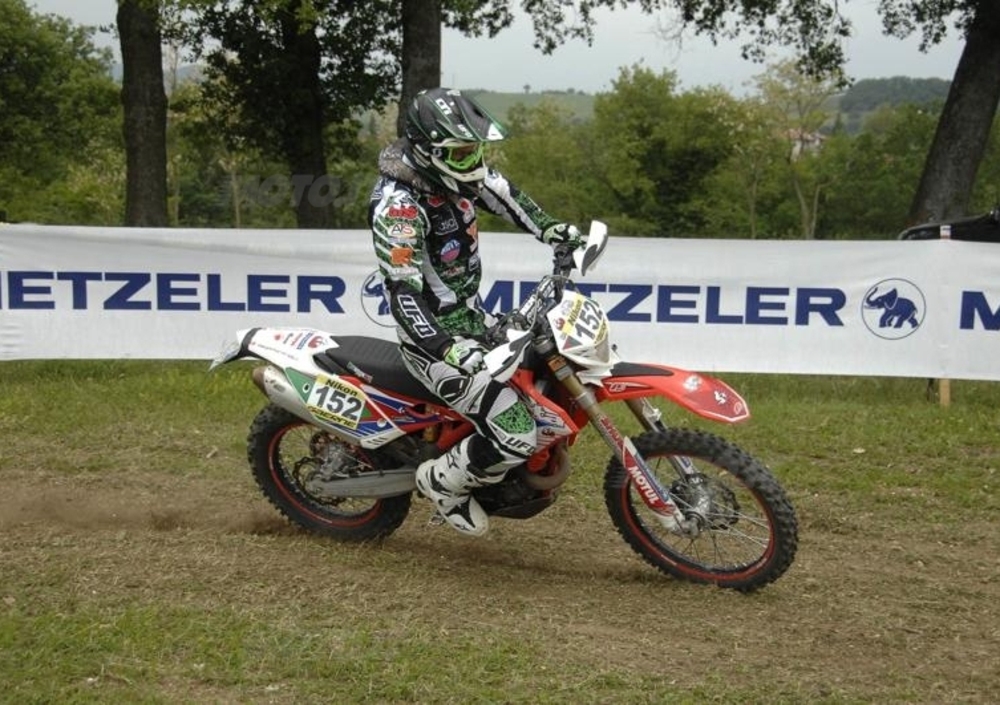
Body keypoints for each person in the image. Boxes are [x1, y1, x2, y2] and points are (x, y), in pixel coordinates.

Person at [368, 87, 582, 536]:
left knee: (539, 376)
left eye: (476, 149)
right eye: (462, 153)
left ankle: (482, 465)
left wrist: (553, 230)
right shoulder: (399, 209)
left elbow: (508, 196)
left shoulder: (456, 173)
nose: (474, 162)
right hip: (433, 342)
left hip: (472, 317)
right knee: (516, 433)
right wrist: (446, 348)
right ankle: (443, 484)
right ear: (428, 151)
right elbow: (402, 294)